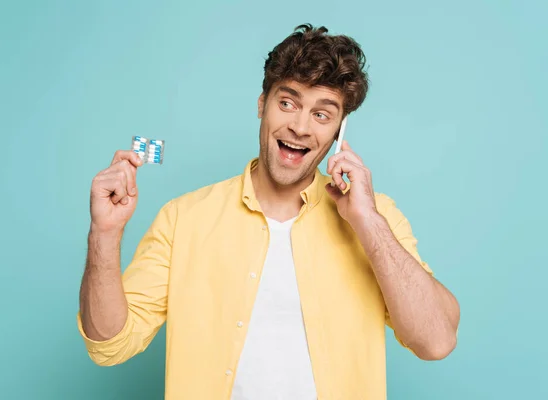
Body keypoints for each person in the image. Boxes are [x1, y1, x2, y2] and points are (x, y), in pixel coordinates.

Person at [77, 23, 460, 400]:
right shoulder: (183, 219)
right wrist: (105, 234)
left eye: (322, 115)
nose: (299, 127)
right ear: (262, 104)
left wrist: (368, 222)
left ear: (340, 133)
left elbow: (437, 340)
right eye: (288, 103)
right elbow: (109, 345)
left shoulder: (376, 218)